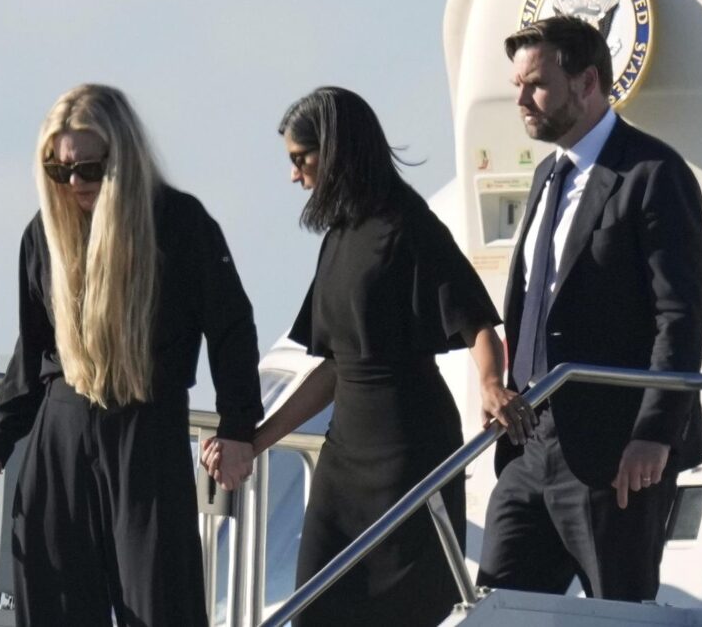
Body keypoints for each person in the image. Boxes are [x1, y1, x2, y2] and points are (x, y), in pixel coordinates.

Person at [204, 86, 531, 626]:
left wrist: (492, 383)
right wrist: (257, 443)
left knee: (404, 611)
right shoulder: (338, 236)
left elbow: (477, 323)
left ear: (334, 151)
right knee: (316, 608)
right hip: (345, 461)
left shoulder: (409, 225)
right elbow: (334, 367)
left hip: (409, 452)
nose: (294, 175)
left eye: (301, 159)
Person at [0, 84, 263, 627]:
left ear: (122, 157)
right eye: (59, 170)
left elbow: (231, 329)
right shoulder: (43, 235)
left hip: (145, 430)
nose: (75, 182)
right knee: (55, 605)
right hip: (61, 432)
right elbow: (33, 350)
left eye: (89, 168)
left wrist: (238, 428)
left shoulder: (180, 223)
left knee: (160, 604)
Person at [476, 16, 702, 601]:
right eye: (517, 86)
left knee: (617, 611)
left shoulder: (652, 174)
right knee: (499, 607)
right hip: (531, 445)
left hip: (616, 453)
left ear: (587, 83)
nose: (521, 101)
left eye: (536, 85)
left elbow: (679, 316)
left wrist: (654, 434)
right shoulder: (547, 176)